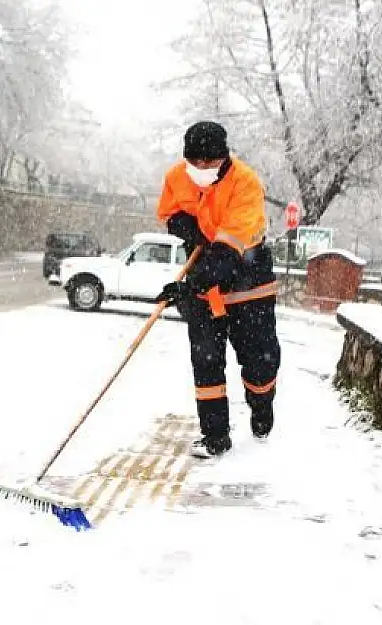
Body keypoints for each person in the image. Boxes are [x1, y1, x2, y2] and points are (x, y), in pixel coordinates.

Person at [154, 121, 281, 459]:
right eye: (195, 164)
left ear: (224, 159)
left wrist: (190, 283)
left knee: (259, 362)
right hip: (203, 275)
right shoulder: (177, 177)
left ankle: (261, 407)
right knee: (206, 361)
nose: (201, 170)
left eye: (209, 164)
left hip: (247, 278)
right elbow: (170, 212)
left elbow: (229, 251)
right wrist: (188, 227)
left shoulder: (245, 183)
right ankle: (215, 437)